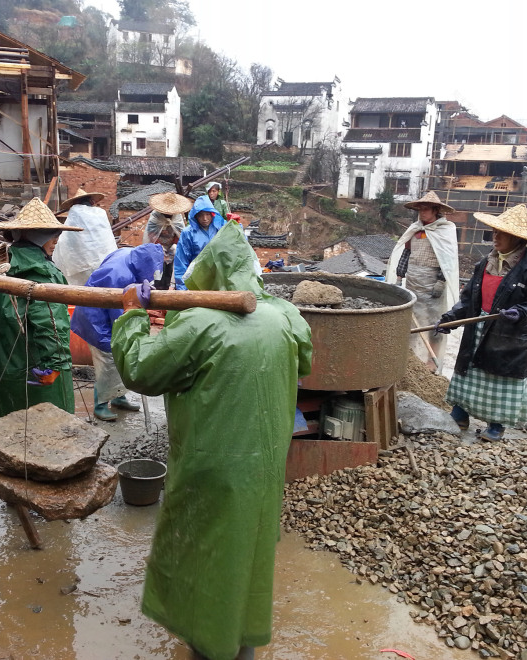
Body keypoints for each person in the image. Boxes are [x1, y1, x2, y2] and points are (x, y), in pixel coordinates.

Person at [112, 221, 313, 660]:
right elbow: (302, 354)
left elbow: (142, 371)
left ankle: (211, 646)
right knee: (248, 550)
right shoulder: (284, 317)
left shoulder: (201, 324)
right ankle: (242, 644)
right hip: (263, 466)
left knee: (208, 555)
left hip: (212, 467)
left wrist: (131, 317)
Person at [435, 204, 527, 441]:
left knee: (498, 378)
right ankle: (460, 413)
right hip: (478, 326)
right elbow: (469, 299)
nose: (495, 237)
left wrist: (520, 312)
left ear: (517, 238)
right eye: (494, 232)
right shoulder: (485, 263)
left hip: (508, 335)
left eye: (501, 233)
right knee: (469, 374)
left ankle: (496, 424)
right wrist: (451, 319)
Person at [0, 198, 75, 420]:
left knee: (8, 427)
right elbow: (51, 322)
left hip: (1, 364)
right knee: (49, 430)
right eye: (51, 234)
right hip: (37, 370)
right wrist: (56, 364)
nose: (55, 240)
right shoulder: (43, 272)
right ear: (36, 236)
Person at [70, 244, 164, 421]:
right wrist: (132, 328)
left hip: (100, 313)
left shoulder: (128, 253)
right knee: (108, 363)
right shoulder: (119, 275)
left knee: (119, 361)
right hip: (96, 320)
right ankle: (100, 404)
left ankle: (119, 397)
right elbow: (120, 315)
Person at [385, 191, 459, 373]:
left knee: (435, 323)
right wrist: (399, 277)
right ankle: (410, 358)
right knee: (411, 322)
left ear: (435, 210)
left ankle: (432, 362)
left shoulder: (444, 230)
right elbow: (406, 254)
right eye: (420, 209)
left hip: (432, 283)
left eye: (426, 209)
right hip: (413, 281)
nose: (422, 212)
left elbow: (447, 260)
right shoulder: (415, 230)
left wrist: (441, 281)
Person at [52, 186, 117, 286]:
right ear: (91, 201)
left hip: (80, 261)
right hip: (104, 257)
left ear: (76, 202)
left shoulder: (75, 210)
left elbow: (67, 236)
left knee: (81, 285)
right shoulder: (100, 212)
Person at [173, 194, 226, 290]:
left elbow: (237, 242)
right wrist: (183, 287)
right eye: (201, 215)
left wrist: (236, 225)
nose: (205, 219)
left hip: (218, 277)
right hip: (196, 277)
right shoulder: (188, 233)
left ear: (212, 214)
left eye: (207, 214)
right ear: (195, 216)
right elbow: (181, 261)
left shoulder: (220, 228)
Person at [144, 191, 190, 291]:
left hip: (172, 247)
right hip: (156, 246)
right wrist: (159, 248)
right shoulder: (155, 217)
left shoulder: (177, 217)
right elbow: (151, 234)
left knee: (170, 268)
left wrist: (174, 244)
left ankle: (169, 286)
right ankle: (157, 287)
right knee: (158, 269)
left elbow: (180, 233)